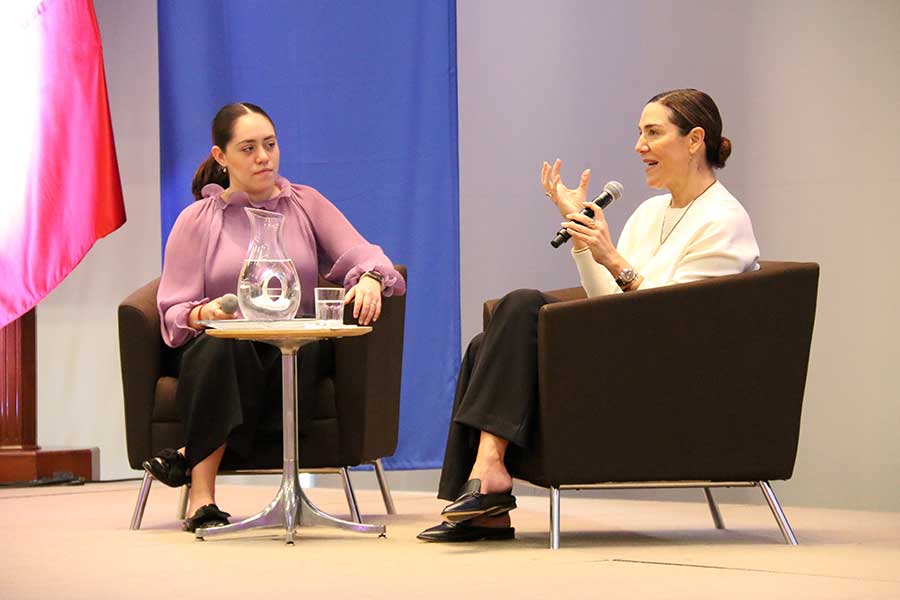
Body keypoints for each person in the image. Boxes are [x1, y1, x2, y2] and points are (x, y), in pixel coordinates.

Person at [418, 89, 760, 542]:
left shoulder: (723, 220)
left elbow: (680, 322)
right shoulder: (651, 211)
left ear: (695, 139)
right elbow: (607, 302)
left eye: (653, 133)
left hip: (673, 370)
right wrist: (585, 244)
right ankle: (487, 494)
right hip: (628, 345)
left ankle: (487, 484)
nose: (639, 146)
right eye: (639, 133)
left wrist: (613, 258)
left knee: (521, 305)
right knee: (493, 338)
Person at [145, 102, 406, 532]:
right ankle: (203, 498)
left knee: (276, 355)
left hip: (296, 348)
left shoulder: (305, 203)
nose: (263, 157)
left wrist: (371, 279)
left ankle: (190, 457)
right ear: (221, 156)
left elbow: (366, 253)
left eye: (270, 145)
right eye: (248, 148)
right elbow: (173, 313)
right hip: (224, 350)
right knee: (219, 350)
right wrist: (204, 312)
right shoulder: (197, 221)